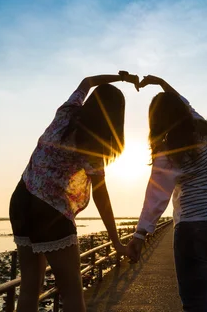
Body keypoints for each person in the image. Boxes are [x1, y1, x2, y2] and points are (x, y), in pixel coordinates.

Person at [9, 72, 139, 312]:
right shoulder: (92, 142)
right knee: (72, 292)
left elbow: (87, 81)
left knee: (29, 287)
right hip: (50, 212)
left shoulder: (66, 112)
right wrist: (117, 243)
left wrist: (120, 78)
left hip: (21, 198)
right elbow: (101, 196)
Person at [127, 75, 207, 312]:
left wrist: (139, 235)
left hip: (195, 229)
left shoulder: (169, 152)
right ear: (182, 111)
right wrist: (161, 82)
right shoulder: (206, 133)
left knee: (195, 303)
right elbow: (184, 103)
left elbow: (156, 197)